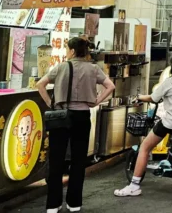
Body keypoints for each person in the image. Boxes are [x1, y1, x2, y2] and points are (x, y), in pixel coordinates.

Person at [37, 37, 115, 213]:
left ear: (72, 51)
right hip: (82, 116)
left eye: (67, 49)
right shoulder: (93, 69)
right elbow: (110, 86)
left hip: (61, 116)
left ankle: (53, 205)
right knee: (78, 160)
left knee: (56, 160)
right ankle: (74, 203)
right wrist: (96, 101)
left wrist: (51, 103)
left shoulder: (61, 67)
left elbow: (40, 84)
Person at [116, 52, 172, 197]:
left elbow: (153, 98)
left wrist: (139, 97)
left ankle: (134, 185)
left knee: (145, 148)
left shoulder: (170, 82)